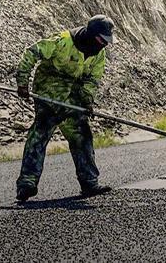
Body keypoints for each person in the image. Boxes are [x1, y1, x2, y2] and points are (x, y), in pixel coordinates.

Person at [14, 14, 115, 202]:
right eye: (102, 40)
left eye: (106, 42)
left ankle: (89, 182)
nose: (104, 45)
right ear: (91, 34)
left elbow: (92, 80)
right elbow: (32, 52)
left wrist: (86, 101)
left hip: (73, 96)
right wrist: (22, 81)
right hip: (49, 92)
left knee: (82, 134)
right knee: (40, 134)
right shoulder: (62, 41)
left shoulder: (98, 54)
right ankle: (27, 184)